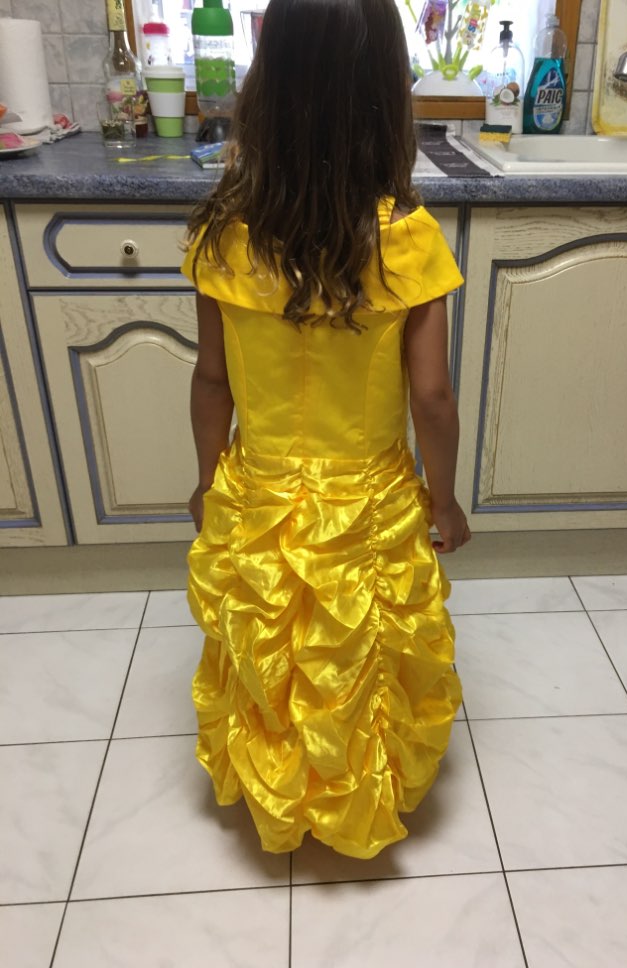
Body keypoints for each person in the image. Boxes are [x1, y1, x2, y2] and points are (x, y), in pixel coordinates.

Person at [181, 0, 471, 861]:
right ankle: (357, 791)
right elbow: (433, 398)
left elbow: (211, 381)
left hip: (260, 491)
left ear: (266, 88)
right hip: (367, 498)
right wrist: (444, 501)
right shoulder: (405, 239)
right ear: (387, 93)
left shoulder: (224, 235)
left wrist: (207, 478)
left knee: (271, 640)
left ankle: (279, 783)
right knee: (361, 649)